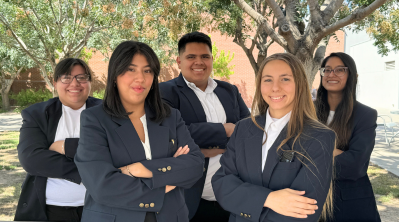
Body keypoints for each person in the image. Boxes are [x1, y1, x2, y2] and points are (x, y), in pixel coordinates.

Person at [74, 41, 205, 222]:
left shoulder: (170, 116)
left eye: (147, 70)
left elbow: (195, 165)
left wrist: (140, 169)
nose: (141, 78)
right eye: (131, 69)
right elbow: (103, 186)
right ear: (114, 75)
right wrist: (166, 179)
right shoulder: (94, 119)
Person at [212, 53, 335, 222]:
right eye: (268, 79)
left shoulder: (319, 137)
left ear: (299, 84)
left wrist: (245, 201)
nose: (275, 87)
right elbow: (222, 185)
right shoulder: (243, 128)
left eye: (285, 79)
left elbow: (304, 210)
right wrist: (269, 199)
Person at [159, 32, 250, 222]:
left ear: (211, 59)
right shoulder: (165, 91)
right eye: (191, 57)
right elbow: (172, 133)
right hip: (190, 199)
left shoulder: (229, 90)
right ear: (178, 61)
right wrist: (225, 130)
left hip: (231, 195)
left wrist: (204, 145)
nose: (198, 62)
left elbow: (248, 130)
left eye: (204, 56)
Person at [15, 58, 101, 221]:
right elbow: (31, 160)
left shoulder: (108, 112)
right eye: (66, 78)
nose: (74, 84)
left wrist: (65, 146)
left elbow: (117, 151)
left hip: (99, 209)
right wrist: (91, 170)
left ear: (90, 82)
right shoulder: (37, 115)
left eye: (81, 77)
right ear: (55, 83)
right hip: (51, 211)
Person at [315, 52, 381, 221]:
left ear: (352, 75)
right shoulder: (308, 111)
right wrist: (335, 152)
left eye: (340, 70)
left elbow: (355, 164)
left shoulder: (365, 115)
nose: (331, 74)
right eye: (327, 70)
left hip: (349, 205)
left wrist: (314, 151)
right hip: (312, 199)